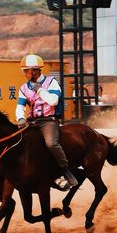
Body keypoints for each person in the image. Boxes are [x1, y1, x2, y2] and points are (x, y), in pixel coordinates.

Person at [15, 54, 79, 190]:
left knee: (51, 143)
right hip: (32, 121)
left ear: (36, 70)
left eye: (27, 70)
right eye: (24, 71)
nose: (25, 73)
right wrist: (20, 118)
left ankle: (65, 170)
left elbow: (53, 101)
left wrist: (39, 89)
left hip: (48, 121)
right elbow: (20, 106)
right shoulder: (23, 88)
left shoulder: (51, 82)